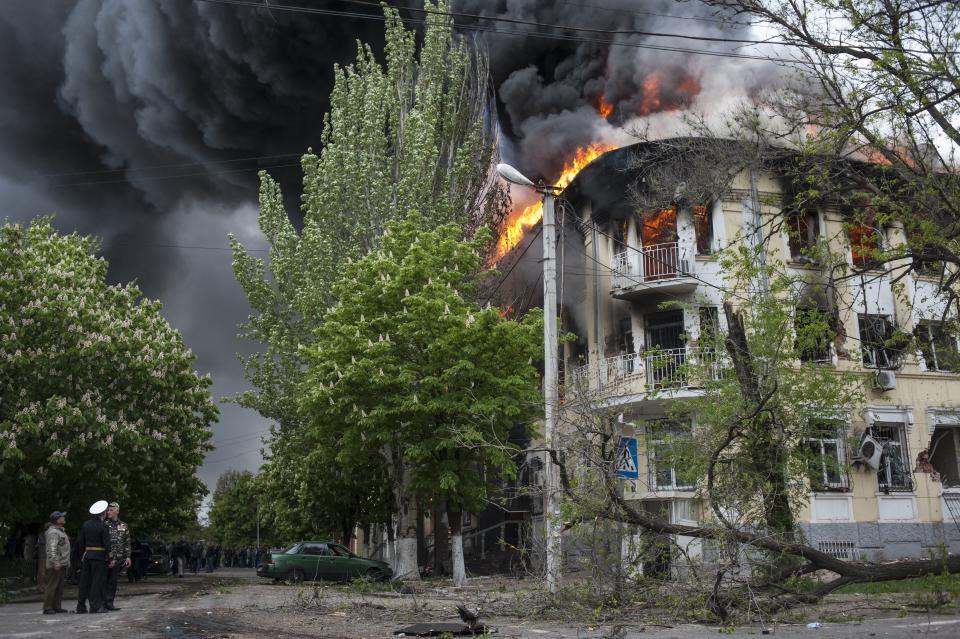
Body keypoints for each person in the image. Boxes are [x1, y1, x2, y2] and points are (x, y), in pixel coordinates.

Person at [76, 500, 111, 614]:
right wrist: (109, 557)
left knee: (84, 582)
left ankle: (81, 606)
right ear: (103, 513)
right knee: (96, 582)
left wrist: (82, 555)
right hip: (99, 557)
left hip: (87, 556)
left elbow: (81, 542)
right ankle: (95, 606)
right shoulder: (103, 526)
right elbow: (106, 544)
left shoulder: (86, 524)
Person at [103, 501, 131, 610]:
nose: (108, 512)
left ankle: (109, 603)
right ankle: (102, 603)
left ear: (117, 511)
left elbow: (127, 542)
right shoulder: (104, 524)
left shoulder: (123, 525)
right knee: (103, 581)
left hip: (118, 559)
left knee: (113, 582)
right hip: (106, 559)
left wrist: (128, 556)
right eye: (108, 510)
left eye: (111, 510)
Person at [42, 511, 70, 615]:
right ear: (58, 520)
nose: (64, 518)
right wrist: (55, 561)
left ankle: (56, 606)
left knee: (59, 587)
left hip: (62, 563)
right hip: (56, 564)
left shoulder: (60, 531)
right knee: (52, 586)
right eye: (62, 517)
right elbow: (52, 548)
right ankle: (48, 607)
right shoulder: (53, 532)